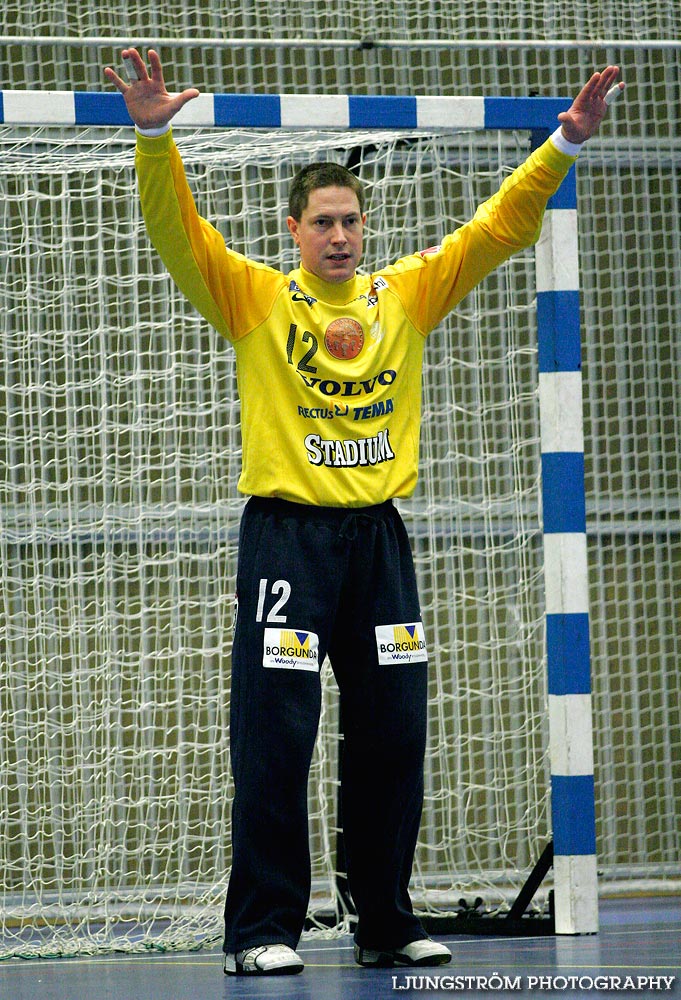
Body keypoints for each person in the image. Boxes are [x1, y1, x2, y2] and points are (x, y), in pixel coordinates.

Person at [104, 50, 623, 977]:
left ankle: (382, 919)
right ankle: (262, 930)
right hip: (287, 543)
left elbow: (495, 229)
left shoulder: (406, 296)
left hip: (378, 543)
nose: (339, 237)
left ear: (364, 226)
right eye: (322, 223)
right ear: (293, 230)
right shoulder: (257, 299)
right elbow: (179, 234)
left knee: (392, 731)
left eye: (350, 221)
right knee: (275, 739)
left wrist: (561, 146)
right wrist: (152, 136)